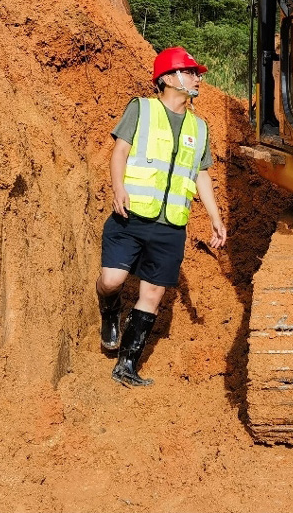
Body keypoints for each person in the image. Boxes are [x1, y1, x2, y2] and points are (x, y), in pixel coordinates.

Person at [95, 46, 227, 387]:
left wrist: (215, 217)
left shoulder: (199, 128)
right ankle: (110, 311)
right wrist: (117, 188)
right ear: (168, 78)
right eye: (191, 72)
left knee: (152, 294)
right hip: (131, 216)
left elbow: (201, 174)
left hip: (171, 226)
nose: (198, 78)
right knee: (111, 281)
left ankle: (127, 364)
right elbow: (120, 151)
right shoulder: (142, 109)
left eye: (197, 73)